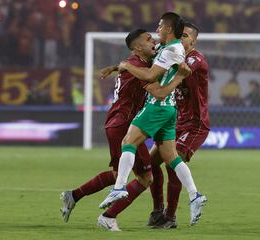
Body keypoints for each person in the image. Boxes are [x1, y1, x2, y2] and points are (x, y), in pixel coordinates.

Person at [60, 29, 189, 231]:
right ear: (137, 47)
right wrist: (179, 77)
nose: (154, 40)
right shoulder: (140, 68)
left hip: (119, 122)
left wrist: (115, 67)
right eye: (148, 39)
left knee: (118, 173)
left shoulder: (139, 63)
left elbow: (131, 65)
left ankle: (73, 195)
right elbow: (159, 92)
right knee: (145, 178)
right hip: (124, 124)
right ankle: (108, 217)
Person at [99, 12, 207, 226]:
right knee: (172, 159)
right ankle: (195, 195)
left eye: (159, 26)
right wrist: (116, 67)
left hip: (157, 107)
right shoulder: (170, 49)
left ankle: (119, 187)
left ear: (168, 29)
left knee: (128, 143)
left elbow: (150, 77)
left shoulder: (172, 51)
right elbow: (158, 61)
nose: (156, 30)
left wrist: (129, 67)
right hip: (171, 111)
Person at [147, 22, 210, 229]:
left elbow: (181, 69)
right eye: (179, 35)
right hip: (176, 121)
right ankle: (158, 210)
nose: (181, 39)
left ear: (194, 40)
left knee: (172, 164)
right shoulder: (172, 53)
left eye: (185, 36)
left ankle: (170, 217)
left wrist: (160, 54)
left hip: (195, 125)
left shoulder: (196, 59)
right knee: (149, 163)